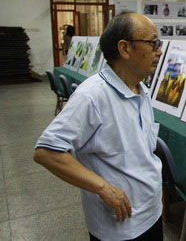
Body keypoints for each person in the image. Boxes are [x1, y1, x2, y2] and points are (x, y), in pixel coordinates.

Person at [33, 12, 164, 240]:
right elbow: (46, 152)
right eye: (153, 43)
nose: (159, 51)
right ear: (124, 49)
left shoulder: (141, 90)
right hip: (121, 226)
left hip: (151, 214)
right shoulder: (92, 96)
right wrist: (103, 187)